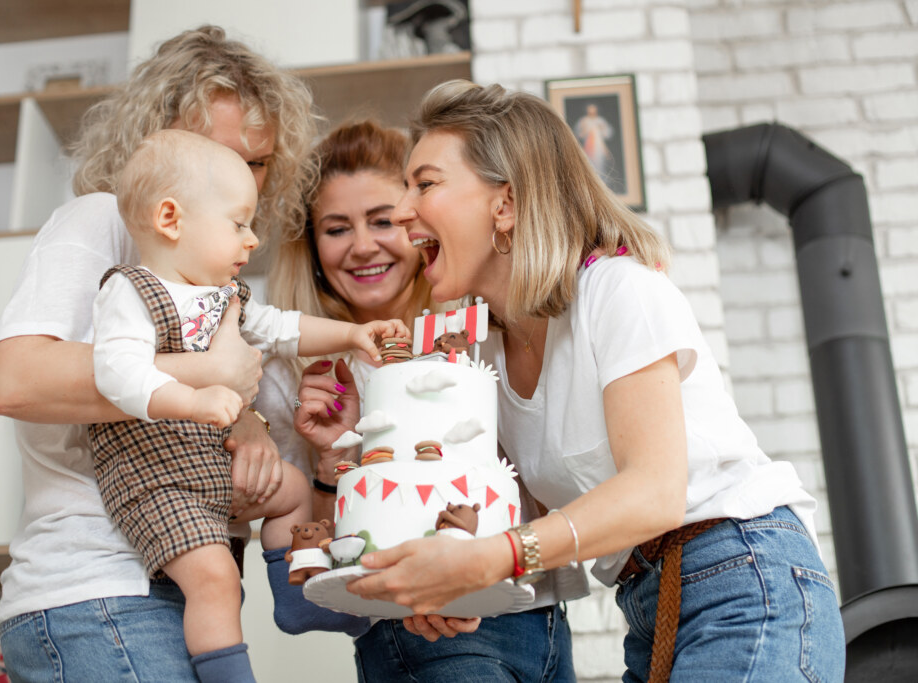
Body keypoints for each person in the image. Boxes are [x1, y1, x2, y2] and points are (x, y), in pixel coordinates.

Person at [346, 80, 847, 681]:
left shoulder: (617, 291)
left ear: (504, 204)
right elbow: (506, 517)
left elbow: (655, 492)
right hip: (649, 607)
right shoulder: (484, 356)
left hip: (744, 574)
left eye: (424, 184)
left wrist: (493, 559)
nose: (402, 212)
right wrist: (455, 587)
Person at [0, 26, 360, 682]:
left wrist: (295, 447)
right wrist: (210, 377)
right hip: (100, 590)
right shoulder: (99, 222)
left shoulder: (229, 291)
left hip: (187, 598)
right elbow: (12, 380)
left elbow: (267, 480)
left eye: (258, 159)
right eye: (211, 150)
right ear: (153, 146)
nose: (237, 174)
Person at [256, 119, 584, 682]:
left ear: (418, 221)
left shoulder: (486, 330)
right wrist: (334, 460)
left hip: (542, 620)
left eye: (382, 220)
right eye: (337, 229)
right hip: (418, 635)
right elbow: (301, 602)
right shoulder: (298, 376)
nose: (363, 246)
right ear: (311, 247)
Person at [90, 128, 408, 681]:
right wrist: (194, 395)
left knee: (290, 489)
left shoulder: (228, 297)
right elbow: (113, 373)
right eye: (238, 224)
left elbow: (285, 329)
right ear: (171, 219)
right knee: (216, 580)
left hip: (211, 466)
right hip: (155, 477)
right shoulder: (131, 292)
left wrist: (351, 336)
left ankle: (299, 595)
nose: (253, 239)